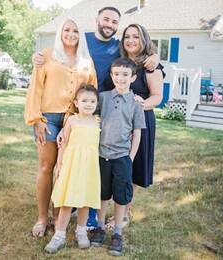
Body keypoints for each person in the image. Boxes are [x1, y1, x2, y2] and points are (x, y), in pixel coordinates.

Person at [33, 6, 160, 230]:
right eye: (106, 20)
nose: (110, 24)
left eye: (114, 22)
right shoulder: (82, 39)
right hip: (76, 110)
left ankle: (93, 211)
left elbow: (137, 56)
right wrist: (38, 56)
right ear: (97, 20)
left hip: (106, 113)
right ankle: (59, 209)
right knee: (68, 161)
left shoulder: (118, 47)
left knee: (96, 161)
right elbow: (59, 50)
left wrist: (155, 55)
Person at [24, 18, 97, 237]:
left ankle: (58, 218)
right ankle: (42, 218)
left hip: (73, 121)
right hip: (48, 119)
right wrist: (35, 118)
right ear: (60, 32)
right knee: (47, 167)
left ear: (80, 34)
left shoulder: (86, 61)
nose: (71, 34)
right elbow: (35, 88)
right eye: (67, 29)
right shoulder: (47, 55)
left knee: (64, 170)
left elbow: (91, 92)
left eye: (75, 30)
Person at [104, 24, 164, 228]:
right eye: (127, 36)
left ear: (144, 39)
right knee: (114, 166)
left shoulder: (151, 66)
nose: (130, 40)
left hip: (140, 121)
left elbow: (157, 97)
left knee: (131, 167)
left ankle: (124, 214)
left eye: (136, 37)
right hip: (116, 121)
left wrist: (139, 105)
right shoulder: (120, 64)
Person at [90, 58, 146, 256]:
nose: (120, 78)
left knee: (121, 195)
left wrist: (130, 157)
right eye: (116, 74)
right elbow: (89, 115)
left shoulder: (136, 103)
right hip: (101, 154)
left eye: (125, 75)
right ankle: (99, 227)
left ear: (133, 77)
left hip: (122, 156)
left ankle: (118, 233)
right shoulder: (103, 97)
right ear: (112, 76)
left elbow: (137, 132)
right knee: (102, 193)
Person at [44, 85, 100, 253]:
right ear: (76, 102)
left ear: (97, 104)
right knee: (68, 200)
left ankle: (81, 232)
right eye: (84, 101)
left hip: (89, 167)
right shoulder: (72, 120)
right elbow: (64, 144)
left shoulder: (97, 121)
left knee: (85, 201)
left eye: (92, 101)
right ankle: (59, 236)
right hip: (72, 165)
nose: (88, 104)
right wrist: (60, 164)